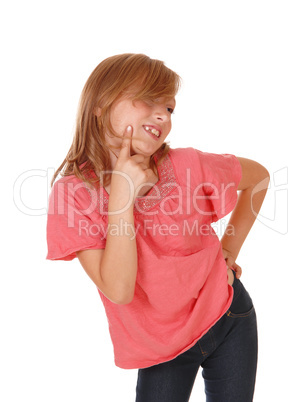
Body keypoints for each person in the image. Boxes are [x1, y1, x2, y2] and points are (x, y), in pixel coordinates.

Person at [46, 53, 270, 401]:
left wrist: (228, 251)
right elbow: (118, 289)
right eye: (150, 100)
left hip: (230, 317)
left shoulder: (186, 165)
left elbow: (259, 179)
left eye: (169, 108)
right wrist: (121, 198)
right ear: (101, 105)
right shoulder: (72, 195)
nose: (163, 115)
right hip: (162, 348)